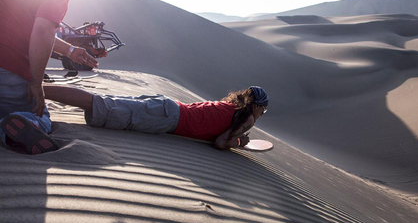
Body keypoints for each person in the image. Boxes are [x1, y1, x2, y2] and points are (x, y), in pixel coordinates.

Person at [0, 0, 98, 155]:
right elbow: (43, 30)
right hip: (9, 70)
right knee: (39, 115)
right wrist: (36, 82)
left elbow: (26, 29)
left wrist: (70, 50)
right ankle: (18, 127)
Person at [43, 85, 269, 150]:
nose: (261, 115)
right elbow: (221, 143)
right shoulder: (246, 119)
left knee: (103, 102)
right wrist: (239, 142)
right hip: (165, 117)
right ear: (256, 106)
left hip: (166, 107)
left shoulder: (229, 105)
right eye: (263, 110)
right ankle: (36, 89)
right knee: (99, 104)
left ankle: (37, 89)